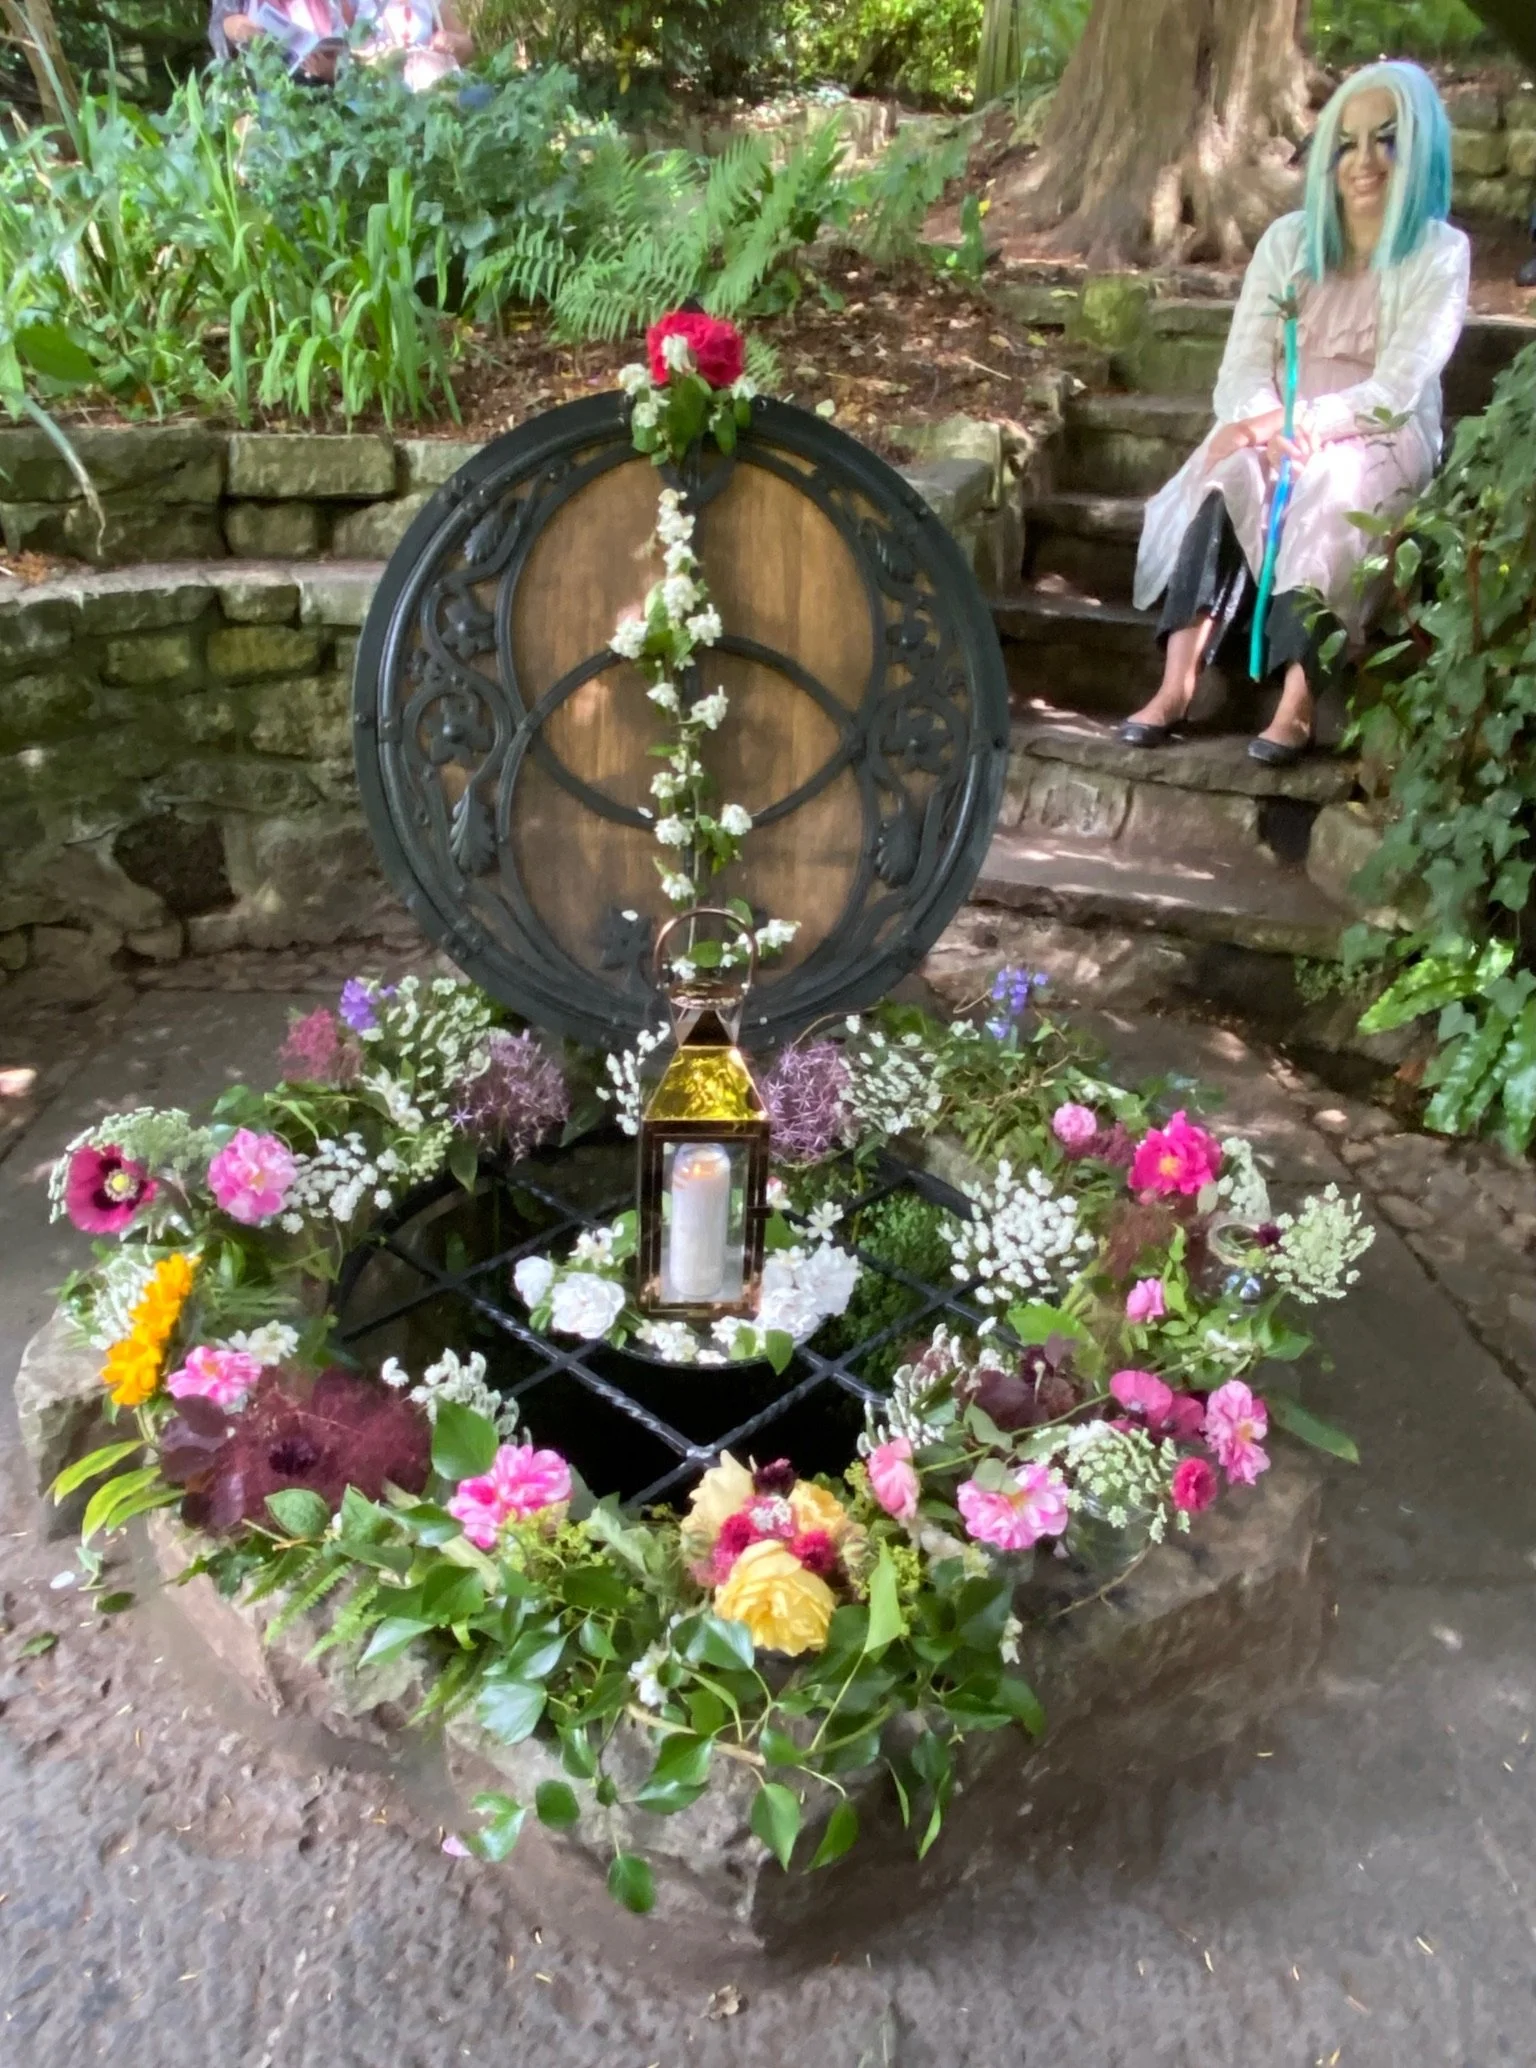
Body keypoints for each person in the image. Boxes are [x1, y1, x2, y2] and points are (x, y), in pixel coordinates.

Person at [1124, 61, 1470, 767]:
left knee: (1332, 489)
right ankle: (1176, 684)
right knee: (1231, 472)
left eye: (1387, 139)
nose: (1363, 161)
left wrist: (1307, 429)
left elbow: (1399, 387)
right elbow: (1242, 368)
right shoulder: (1288, 243)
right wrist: (1262, 425)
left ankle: (1298, 699)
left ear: (1421, 147)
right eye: (1345, 142)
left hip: (1378, 433)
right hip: (1273, 421)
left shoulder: (1441, 253)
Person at [210, 0, 355, 83]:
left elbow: (349, 42)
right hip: (271, 93)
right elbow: (219, 26)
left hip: (325, 92)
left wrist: (332, 72)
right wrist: (230, 26)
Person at [354, 0, 473, 91]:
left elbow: (468, 47)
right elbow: (344, 51)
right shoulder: (358, 4)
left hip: (433, 88)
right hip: (379, 94)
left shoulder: (432, 2)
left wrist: (452, 40)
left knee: (482, 95)